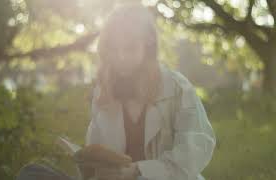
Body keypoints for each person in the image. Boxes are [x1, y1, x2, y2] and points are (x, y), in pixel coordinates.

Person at [16, 3, 216, 180]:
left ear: (148, 45)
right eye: (114, 48)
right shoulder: (104, 92)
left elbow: (191, 157)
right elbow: (97, 159)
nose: (120, 57)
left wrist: (137, 171)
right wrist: (88, 167)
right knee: (32, 173)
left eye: (130, 48)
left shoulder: (178, 88)